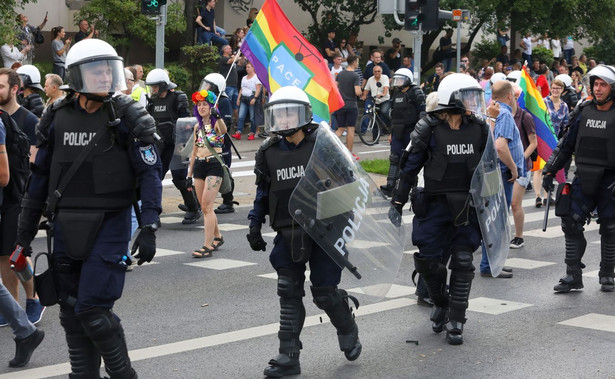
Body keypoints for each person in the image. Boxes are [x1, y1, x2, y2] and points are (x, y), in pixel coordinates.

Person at [14, 38, 162, 378]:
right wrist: (23, 237)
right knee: (69, 311)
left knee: (93, 309)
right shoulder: (55, 116)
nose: (106, 78)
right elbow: (37, 181)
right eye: (97, 72)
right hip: (64, 225)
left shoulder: (127, 116)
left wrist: (150, 225)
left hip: (110, 224)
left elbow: (150, 174)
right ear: (77, 77)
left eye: (108, 71)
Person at [248, 86, 362, 377]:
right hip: (288, 232)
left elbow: (349, 187)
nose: (285, 120)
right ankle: (288, 356)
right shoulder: (268, 151)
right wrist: (254, 222)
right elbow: (264, 192)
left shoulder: (323, 143)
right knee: (288, 290)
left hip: (325, 232)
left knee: (324, 293)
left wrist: (339, 224)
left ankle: (346, 324)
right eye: (279, 114)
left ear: (304, 115)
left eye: (290, 113)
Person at [391, 74, 489, 345]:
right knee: (428, 262)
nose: (472, 103)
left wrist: (491, 203)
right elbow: (409, 166)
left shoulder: (479, 128)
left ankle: (457, 319)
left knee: (462, 261)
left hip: (465, 208)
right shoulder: (428, 128)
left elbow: (487, 169)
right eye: (467, 97)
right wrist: (397, 202)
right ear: (452, 99)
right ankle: (441, 302)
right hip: (434, 206)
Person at [542, 65, 615, 293]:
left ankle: (607, 274)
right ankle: (573, 276)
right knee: (570, 222)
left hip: (610, 181)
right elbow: (566, 144)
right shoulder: (583, 110)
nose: (598, 89)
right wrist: (549, 170)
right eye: (595, 84)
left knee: (611, 227)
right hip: (584, 177)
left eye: (603, 84)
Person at [479, 80, 524, 278]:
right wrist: (514, 168)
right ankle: (489, 265)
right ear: (509, 96)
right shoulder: (504, 114)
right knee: (496, 220)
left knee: (494, 218)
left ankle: (491, 263)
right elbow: (499, 146)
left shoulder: (493, 113)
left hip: (494, 172)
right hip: (503, 173)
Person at [145, 68, 201, 224]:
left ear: (163, 85)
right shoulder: (152, 100)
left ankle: (193, 208)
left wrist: (185, 146)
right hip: (161, 145)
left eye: (155, 86)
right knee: (155, 178)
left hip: (178, 145)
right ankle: (154, 212)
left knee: (180, 179)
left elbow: (187, 123)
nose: (153, 89)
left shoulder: (177, 98)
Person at [187, 89, 226, 257]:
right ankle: (217, 236)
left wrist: (218, 116)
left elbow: (223, 130)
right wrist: (189, 175)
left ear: (211, 107)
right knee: (205, 207)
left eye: (205, 104)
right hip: (200, 167)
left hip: (214, 165)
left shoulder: (216, 124)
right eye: (199, 105)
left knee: (206, 206)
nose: (202, 107)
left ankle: (207, 246)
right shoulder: (197, 127)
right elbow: (194, 152)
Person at [380, 68, 425, 196]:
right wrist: (391, 133)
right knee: (394, 158)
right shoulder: (396, 94)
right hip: (398, 132)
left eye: (401, 79)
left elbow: (422, 111)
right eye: (397, 79)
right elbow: (393, 115)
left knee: (411, 160)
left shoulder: (415, 92)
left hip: (411, 132)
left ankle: (413, 187)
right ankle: (390, 186)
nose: (398, 82)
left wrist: (419, 131)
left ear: (408, 80)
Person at [199, 73, 238, 215]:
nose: (205, 88)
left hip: (221, 143)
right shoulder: (209, 101)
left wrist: (216, 117)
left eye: (208, 85)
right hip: (207, 142)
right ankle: (199, 202)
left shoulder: (223, 101)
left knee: (223, 170)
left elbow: (226, 122)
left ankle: (228, 201)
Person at [509, 82, 537, 249]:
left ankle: (519, 236)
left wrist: (520, 159)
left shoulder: (525, 117)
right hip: (503, 166)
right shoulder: (500, 115)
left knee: (514, 203)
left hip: (521, 167)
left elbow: (533, 143)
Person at [334, 56, 362, 158]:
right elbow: (357, 91)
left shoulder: (340, 74)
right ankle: (349, 154)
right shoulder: (355, 76)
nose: (357, 64)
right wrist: (361, 93)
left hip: (341, 104)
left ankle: (330, 146)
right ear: (354, 63)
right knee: (350, 129)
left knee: (340, 129)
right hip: (351, 105)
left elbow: (335, 87)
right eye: (357, 62)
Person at [232, 61, 261, 140]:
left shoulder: (256, 77)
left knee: (252, 117)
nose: (247, 69)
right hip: (244, 98)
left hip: (251, 97)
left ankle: (252, 132)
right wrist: (238, 98)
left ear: (253, 68)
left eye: (249, 67)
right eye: (246, 67)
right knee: (241, 116)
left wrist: (255, 98)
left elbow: (258, 89)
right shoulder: (244, 77)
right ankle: (239, 132)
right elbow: (241, 89)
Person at [218, 45, 241, 124]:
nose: (231, 49)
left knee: (235, 105)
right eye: (229, 48)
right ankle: (227, 121)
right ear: (224, 50)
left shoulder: (232, 58)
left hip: (234, 85)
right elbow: (232, 60)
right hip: (228, 85)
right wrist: (237, 54)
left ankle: (237, 122)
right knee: (228, 104)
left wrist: (243, 55)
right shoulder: (223, 59)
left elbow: (240, 62)